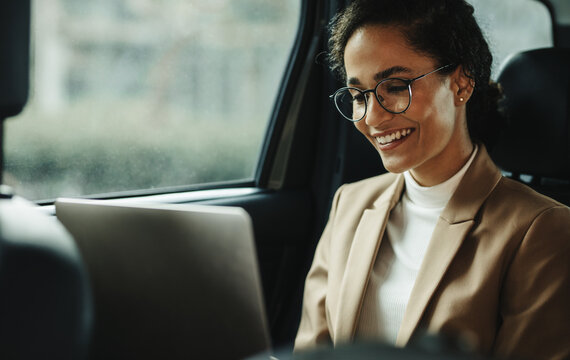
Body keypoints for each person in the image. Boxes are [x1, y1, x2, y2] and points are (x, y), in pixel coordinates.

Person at [294, 1, 570, 359]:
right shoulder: (349, 204)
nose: (372, 117)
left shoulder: (542, 230)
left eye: (394, 86)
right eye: (358, 95)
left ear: (461, 82)